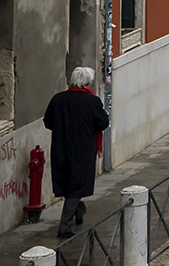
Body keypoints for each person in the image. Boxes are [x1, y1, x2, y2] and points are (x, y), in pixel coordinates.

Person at [44, 67, 109, 238]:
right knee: (76, 185)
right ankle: (64, 227)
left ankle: (79, 209)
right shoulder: (92, 101)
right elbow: (102, 123)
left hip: (61, 148)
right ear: (87, 82)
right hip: (82, 151)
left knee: (69, 183)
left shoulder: (58, 99)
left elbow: (48, 122)